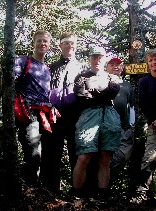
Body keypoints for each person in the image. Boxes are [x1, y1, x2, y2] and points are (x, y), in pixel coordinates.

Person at [72, 45, 122, 200]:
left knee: (105, 156)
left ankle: (103, 194)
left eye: (100, 57)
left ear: (104, 59)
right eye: (94, 57)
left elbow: (113, 91)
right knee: (84, 155)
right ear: (89, 58)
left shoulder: (112, 77)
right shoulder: (81, 77)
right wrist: (102, 94)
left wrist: (94, 92)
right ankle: (76, 194)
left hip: (109, 115)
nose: (97, 60)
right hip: (88, 115)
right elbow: (81, 95)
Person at [43, 32, 84, 194]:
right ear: (60, 46)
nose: (69, 45)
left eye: (72, 43)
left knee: (77, 153)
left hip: (76, 116)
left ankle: (77, 191)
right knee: (52, 153)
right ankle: (50, 190)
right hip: (54, 116)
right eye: (66, 43)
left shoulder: (83, 68)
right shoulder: (50, 67)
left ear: (76, 45)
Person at [14, 30, 52, 187]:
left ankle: (35, 187)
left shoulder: (47, 68)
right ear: (33, 43)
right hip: (27, 112)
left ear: (49, 45)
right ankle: (29, 187)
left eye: (45, 41)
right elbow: (10, 82)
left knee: (43, 154)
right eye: (39, 41)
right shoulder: (23, 61)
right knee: (34, 153)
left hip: (45, 114)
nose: (42, 44)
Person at [129, 49, 156, 204]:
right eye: (150, 60)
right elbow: (143, 104)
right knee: (149, 158)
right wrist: (155, 121)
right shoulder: (144, 82)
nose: (153, 63)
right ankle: (141, 194)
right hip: (154, 124)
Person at [106, 57, 135, 182]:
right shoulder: (101, 82)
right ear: (106, 67)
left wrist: (132, 125)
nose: (115, 66)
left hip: (124, 128)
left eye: (118, 64)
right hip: (105, 128)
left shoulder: (127, 85)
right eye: (112, 64)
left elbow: (132, 107)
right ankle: (99, 189)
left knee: (122, 156)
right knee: (103, 157)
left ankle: (105, 184)